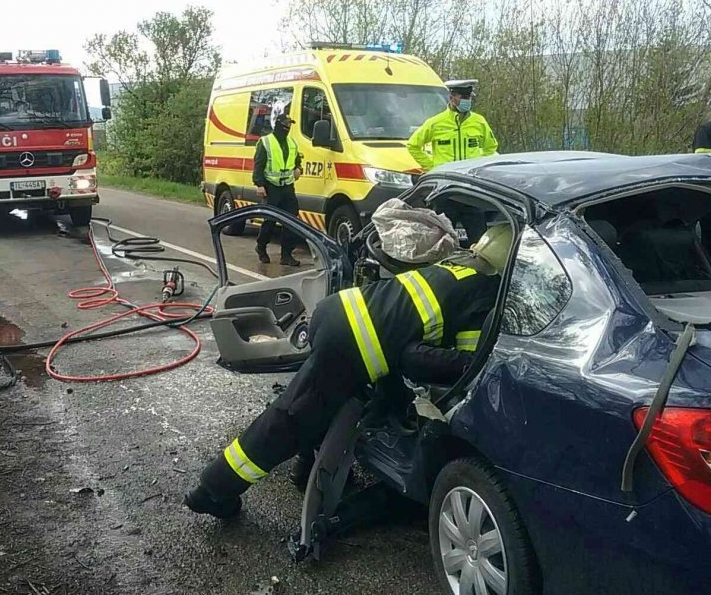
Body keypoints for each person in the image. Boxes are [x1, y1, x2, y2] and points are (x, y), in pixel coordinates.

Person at [184, 224, 512, 518]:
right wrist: (472, 365)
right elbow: (460, 363)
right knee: (288, 421)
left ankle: (306, 466)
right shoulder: (484, 293)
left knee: (318, 404)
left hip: (335, 313)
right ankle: (214, 490)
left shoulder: (454, 264)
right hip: (354, 343)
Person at [407, 79, 499, 172]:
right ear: (451, 98)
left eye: (469, 97)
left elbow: (491, 147)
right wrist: (432, 168)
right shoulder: (436, 123)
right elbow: (413, 145)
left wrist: (479, 166)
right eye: (463, 97)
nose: (467, 101)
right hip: (445, 178)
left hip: (470, 178)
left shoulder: (479, 121)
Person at [253, 112, 303, 266]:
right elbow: (259, 165)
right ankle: (261, 247)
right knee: (270, 221)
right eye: (286, 124)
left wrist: (298, 169)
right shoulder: (266, 142)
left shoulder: (292, 143)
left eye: (290, 125)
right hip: (271, 187)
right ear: (279, 124)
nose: (288, 127)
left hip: (287, 187)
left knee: (291, 220)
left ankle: (286, 255)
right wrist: (259, 184)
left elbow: (296, 161)